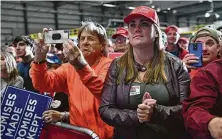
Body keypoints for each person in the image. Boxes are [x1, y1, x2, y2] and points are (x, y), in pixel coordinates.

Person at [99, 6, 190, 139]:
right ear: (128, 33)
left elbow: (187, 110)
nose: (137, 28)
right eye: (132, 25)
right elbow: (105, 109)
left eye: (144, 24)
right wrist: (138, 116)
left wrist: (156, 112)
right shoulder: (117, 65)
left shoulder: (176, 65)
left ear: (157, 32)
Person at [30, 21, 113, 139]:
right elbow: (42, 84)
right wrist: (39, 58)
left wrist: (80, 66)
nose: (85, 42)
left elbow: (104, 92)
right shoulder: (68, 68)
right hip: (79, 134)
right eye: (82, 39)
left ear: (102, 45)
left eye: (90, 38)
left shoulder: (111, 65)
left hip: (106, 135)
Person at [182, 58, 222, 139]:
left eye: (209, 44)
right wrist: (211, 122)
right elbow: (195, 109)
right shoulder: (210, 73)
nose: (204, 49)